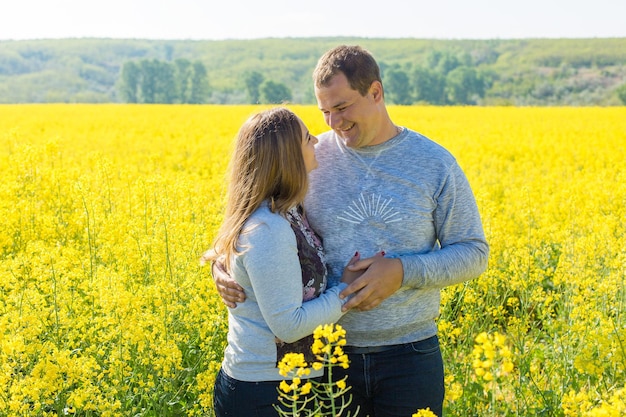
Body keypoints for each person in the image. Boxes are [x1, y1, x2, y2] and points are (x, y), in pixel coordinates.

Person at [213, 46, 489, 417]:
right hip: (324, 360)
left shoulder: (434, 163)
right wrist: (223, 266)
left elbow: (473, 252)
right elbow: (255, 222)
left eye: (341, 108)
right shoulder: (309, 157)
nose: (332, 123)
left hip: (409, 354)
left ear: (375, 93)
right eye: (324, 111)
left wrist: (403, 272)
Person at [204, 107, 364, 417]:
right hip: (263, 392)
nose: (317, 140)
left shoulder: (287, 212)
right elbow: (289, 326)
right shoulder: (269, 229)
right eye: (307, 138)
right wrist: (347, 291)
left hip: (283, 386)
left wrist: (218, 266)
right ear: (287, 155)